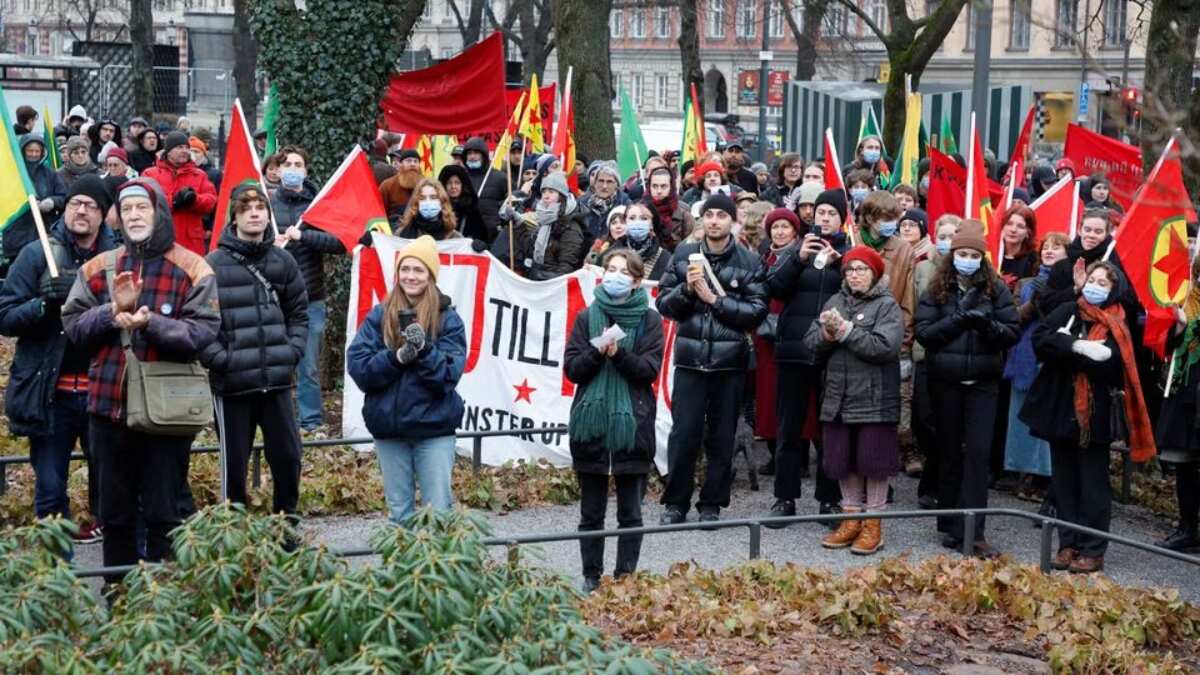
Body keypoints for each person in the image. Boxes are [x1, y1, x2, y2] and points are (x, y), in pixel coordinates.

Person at [61, 179, 220, 582]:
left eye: (142, 208)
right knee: (114, 516)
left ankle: (161, 603)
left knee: (165, 512)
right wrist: (109, 312)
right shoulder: (98, 267)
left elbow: (202, 334)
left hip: (166, 412)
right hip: (107, 410)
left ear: (159, 212)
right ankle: (119, 600)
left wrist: (151, 323)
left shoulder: (194, 267)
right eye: (126, 209)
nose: (133, 216)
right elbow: (74, 328)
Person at [0, 176, 117, 543]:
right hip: (51, 396)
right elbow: (5, 315)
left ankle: (117, 579)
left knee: (113, 491)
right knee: (50, 491)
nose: (81, 211)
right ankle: (57, 582)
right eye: (75, 203)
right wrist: (42, 305)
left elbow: (130, 314)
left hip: (104, 393)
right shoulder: (37, 254)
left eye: (91, 205)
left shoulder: (117, 258)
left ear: (103, 214)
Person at [1021, 261, 1155, 573]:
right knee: (1064, 480)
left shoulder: (1119, 323)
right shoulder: (1069, 309)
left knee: (1093, 482)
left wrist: (1070, 354)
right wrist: (1076, 345)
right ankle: (1068, 544)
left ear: (1114, 290)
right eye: (1092, 279)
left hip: (1095, 414)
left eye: (1103, 283)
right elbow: (1040, 340)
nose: (1095, 286)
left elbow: (1112, 367)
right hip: (1059, 408)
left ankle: (1093, 548)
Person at [657, 193, 768, 525]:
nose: (715, 221)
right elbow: (664, 303)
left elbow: (756, 312)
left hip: (729, 364)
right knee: (684, 434)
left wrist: (714, 300)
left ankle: (712, 504)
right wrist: (686, 292)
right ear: (702, 220)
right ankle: (675, 503)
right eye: (710, 215)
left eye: (722, 215)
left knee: (722, 437)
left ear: (733, 221)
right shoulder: (683, 254)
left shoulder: (749, 262)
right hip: (691, 360)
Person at [915, 219, 1020, 558]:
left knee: (977, 454)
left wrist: (986, 324)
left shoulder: (996, 289)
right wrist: (957, 320)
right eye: (962, 253)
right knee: (948, 451)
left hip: (983, 384)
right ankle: (948, 522)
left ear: (983, 257)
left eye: (974, 254)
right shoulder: (936, 288)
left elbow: (1011, 331)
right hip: (945, 381)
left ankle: (974, 531)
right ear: (953, 254)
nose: (968, 259)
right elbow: (924, 333)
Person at [202, 183, 308, 519]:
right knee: (234, 467)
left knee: (288, 458)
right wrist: (222, 360)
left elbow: (299, 313)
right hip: (233, 385)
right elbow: (201, 322)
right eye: (246, 208)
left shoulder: (283, 260)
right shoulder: (213, 264)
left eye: (260, 207)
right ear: (234, 215)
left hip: (276, 380)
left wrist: (291, 351)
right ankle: (235, 535)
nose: (254, 214)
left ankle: (285, 526)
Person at [346, 235, 467, 525]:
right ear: (397, 273)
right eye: (405, 269)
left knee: (437, 513)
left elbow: (449, 375)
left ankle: (437, 570)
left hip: (433, 429)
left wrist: (424, 350)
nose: (411, 276)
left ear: (430, 275)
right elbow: (360, 368)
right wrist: (395, 358)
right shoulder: (379, 316)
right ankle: (402, 572)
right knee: (399, 514)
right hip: (390, 429)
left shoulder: (448, 319)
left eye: (418, 270)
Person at [564, 248, 664, 592]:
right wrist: (597, 351)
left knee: (630, 513)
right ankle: (591, 575)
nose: (615, 275)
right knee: (591, 513)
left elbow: (648, 371)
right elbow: (573, 369)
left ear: (637, 281)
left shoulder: (650, 321)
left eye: (624, 271)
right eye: (610, 268)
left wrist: (619, 354)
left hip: (632, 426)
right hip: (590, 428)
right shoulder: (586, 316)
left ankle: (625, 578)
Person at [803, 245, 903, 554]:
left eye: (861, 269)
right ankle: (850, 520)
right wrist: (827, 336)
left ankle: (873, 525)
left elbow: (885, 346)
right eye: (849, 269)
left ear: (874, 274)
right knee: (843, 460)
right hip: (838, 395)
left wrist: (846, 331)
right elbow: (809, 342)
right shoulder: (835, 300)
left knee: (873, 462)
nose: (854, 275)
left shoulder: (887, 305)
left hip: (874, 397)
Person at [765, 189, 850, 520]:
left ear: (843, 218)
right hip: (794, 348)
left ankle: (829, 498)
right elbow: (775, 288)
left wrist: (840, 263)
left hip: (833, 352)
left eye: (831, 213)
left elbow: (862, 289)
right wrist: (799, 259)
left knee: (830, 426)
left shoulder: (850, 252)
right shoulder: (797, 249)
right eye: (820, 213)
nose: (824, 219)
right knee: (790, 427)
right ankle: (784, 498)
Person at [270, 145, 347, 433]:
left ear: (306, 170)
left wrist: (304, 235)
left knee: (308, 365)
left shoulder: (319, 206)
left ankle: (311, 421)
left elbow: (339, 243)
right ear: (277, 171)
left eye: (297, 163)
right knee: (273, 362)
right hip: (274, 297)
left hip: (310, 297)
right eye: (287, 163)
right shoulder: (266, 204)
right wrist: (269, 243)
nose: (292, 168)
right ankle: (275, 421)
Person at [1002, 232, 1070, 512]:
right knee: (1020, 418)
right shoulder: (1029, 282)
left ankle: (1044, 477)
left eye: (1057, 247)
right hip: (1024, 356)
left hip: (1050, 355)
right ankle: (1022, 472)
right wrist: (1034, 301)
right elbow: (1016, 316)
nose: (1049, 251)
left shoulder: (1073, 285)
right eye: (1046, 247)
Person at [911, 214, 962, 507]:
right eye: (942, 236)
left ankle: (936, 484)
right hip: (923, 353)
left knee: (949, 423)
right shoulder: (922, 268)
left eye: (953, 236)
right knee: (924, 420)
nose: (947, 241)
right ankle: (935, 472)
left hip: (954, 358)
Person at [1155, 255, 1200, 552]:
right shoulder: (1188, 300)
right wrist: (1180, 329)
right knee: (1185, 465)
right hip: (1187, 393)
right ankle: (1187, 528)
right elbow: (1165, 346)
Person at [752, 208, 799, 481]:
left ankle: (799, 454)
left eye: (785, 227)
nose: (780, 232)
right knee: (768, 395)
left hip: (793, 332)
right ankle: (774, 450)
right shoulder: (764, 257)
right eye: (775, 227)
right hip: (766, 334)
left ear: (794, 230)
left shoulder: (802, 256)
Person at [141, 131, 218, 256]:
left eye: (187, 148)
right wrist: (174, 202)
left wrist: (195, 200)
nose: (185, 151)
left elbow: (211, 201)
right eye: (179, 147)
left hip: (191, 244)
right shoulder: (150, 174)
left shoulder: (199, 175)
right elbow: (146, 202)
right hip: (160, 241)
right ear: (168, 151)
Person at [502, 172, 586, 280]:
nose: (546, 195)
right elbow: (531, 250)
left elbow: (567, 267)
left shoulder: (571, 228)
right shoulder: (544, 220)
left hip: (551, 286)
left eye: (551, 191)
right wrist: (518, 223)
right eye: (544, 191)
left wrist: (546, 281)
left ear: (561, 196)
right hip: (537, 279)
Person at [3, 136, 67, 267]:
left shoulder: (50, 174)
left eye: (37, 151)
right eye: (30, 151)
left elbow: (64, 196)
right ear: (22, 151)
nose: (33, 154)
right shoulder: (13, 174)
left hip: (42, 233)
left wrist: (51, 202)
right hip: (16, 235)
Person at [613, 203, 671, 281]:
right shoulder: (612, 252)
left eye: (644, 218)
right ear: (625, 222)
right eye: (632, 218)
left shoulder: (664, 258)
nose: (637, 222)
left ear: (652, 224)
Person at [578, 161, 631, 243]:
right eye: (601, 181)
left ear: (617, 184)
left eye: (609, 182)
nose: (604, 186)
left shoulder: (626, 205)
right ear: (595, 183)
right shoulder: (582, 203)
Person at [644, 166, 693, 252]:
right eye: (654, 186)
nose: (659, 191)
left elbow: (690, 246)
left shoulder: (683, 214)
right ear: (649, 187)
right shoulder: (640, 210)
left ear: (671, 187)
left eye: (663, 186)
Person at [396, 178, 462, 240]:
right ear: (416, 203)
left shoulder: (454, 237)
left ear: (442, 201)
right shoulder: (402, 234)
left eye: (433, 197)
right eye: (423, 198)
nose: (428, 202)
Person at [437, 164, 488, 242]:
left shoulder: (472, 209)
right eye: (449, 183)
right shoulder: (437, 208)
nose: (453, 186)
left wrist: (477, 243)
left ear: (463, 185)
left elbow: (481, 235)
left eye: (457, 183)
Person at [998, 204, 1039, 289]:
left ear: (1028, 233)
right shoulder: (990, 254)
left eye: (1020, 226)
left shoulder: (1034, 261)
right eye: (1009, 224)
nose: (1013, 230)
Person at [380, 149, 423, 225]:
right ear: (401, 164)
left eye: (416, 161)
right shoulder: (387, 185)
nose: (412, 164)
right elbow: (380, 213)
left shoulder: (426, 185)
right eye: (408, 161)